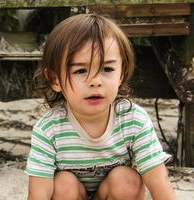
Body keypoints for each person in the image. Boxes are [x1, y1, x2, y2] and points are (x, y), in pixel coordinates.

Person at [25, 13, 176, 200]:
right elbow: (39, 192)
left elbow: (157, 179)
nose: (95, 81)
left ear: (122, 74)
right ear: (55, 79)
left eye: (107, 69)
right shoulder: (49, 128)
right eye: (80, 70)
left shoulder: (133, 120)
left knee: (127, 179)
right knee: (62, 184)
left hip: (111, 193)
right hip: (71, 194)